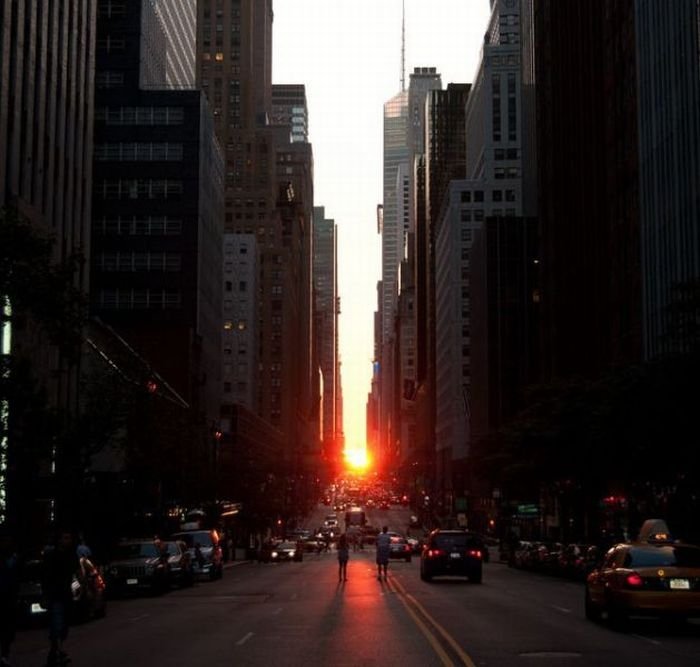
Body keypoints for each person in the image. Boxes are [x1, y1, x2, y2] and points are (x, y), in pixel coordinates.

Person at [42, 530, 79, 666]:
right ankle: (57, 651)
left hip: (66, 594)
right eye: (65, 538)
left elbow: (76, 572)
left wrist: (81, 587)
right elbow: (45, 576)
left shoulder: (71, 555)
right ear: (59, 540)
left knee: (64, 625)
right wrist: (45, 595)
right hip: (55, 594)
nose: (67, 540)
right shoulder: (51, 555)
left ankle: (56, 649)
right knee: (57, 623)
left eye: (69, 538)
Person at [0, 531, 19, 667]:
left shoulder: (15, 559)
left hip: (11, 597)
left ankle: (5, 653)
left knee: (9, 630)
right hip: (1, 596)